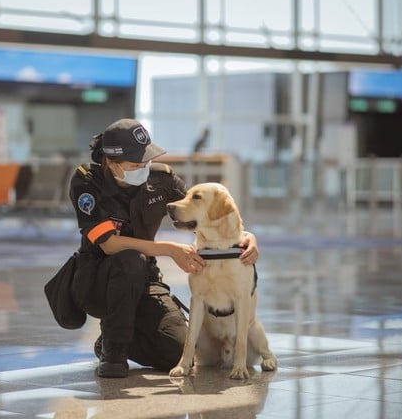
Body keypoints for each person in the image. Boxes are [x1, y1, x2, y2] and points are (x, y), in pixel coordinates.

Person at [68, 118, 259, 378]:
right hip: (98, 280)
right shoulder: (87, 184)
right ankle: (113, 350)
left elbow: (203, 211)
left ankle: (119, 333)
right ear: (111, 164)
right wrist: (169, 249)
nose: (144, 168)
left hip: (145, 280)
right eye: (135, 165)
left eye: (146, 161)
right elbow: (110, 244)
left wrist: (246, 236)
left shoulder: (161, 179)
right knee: (129, 259)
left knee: (177, 353)